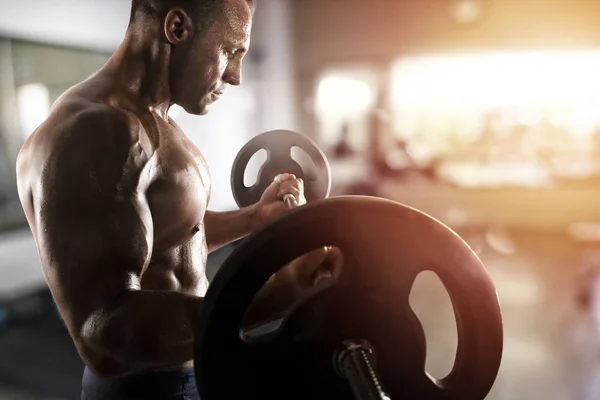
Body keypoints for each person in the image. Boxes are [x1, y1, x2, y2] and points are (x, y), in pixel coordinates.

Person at [14, 0, 340, 399]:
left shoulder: (158, 122)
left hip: (192, 372)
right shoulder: (95, 135)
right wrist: (278, 294)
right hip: (144, 389)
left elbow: (176, 233)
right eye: (230, 51)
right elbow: (105, 334)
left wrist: (252, 218)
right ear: (178, 28)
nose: (236, 76)